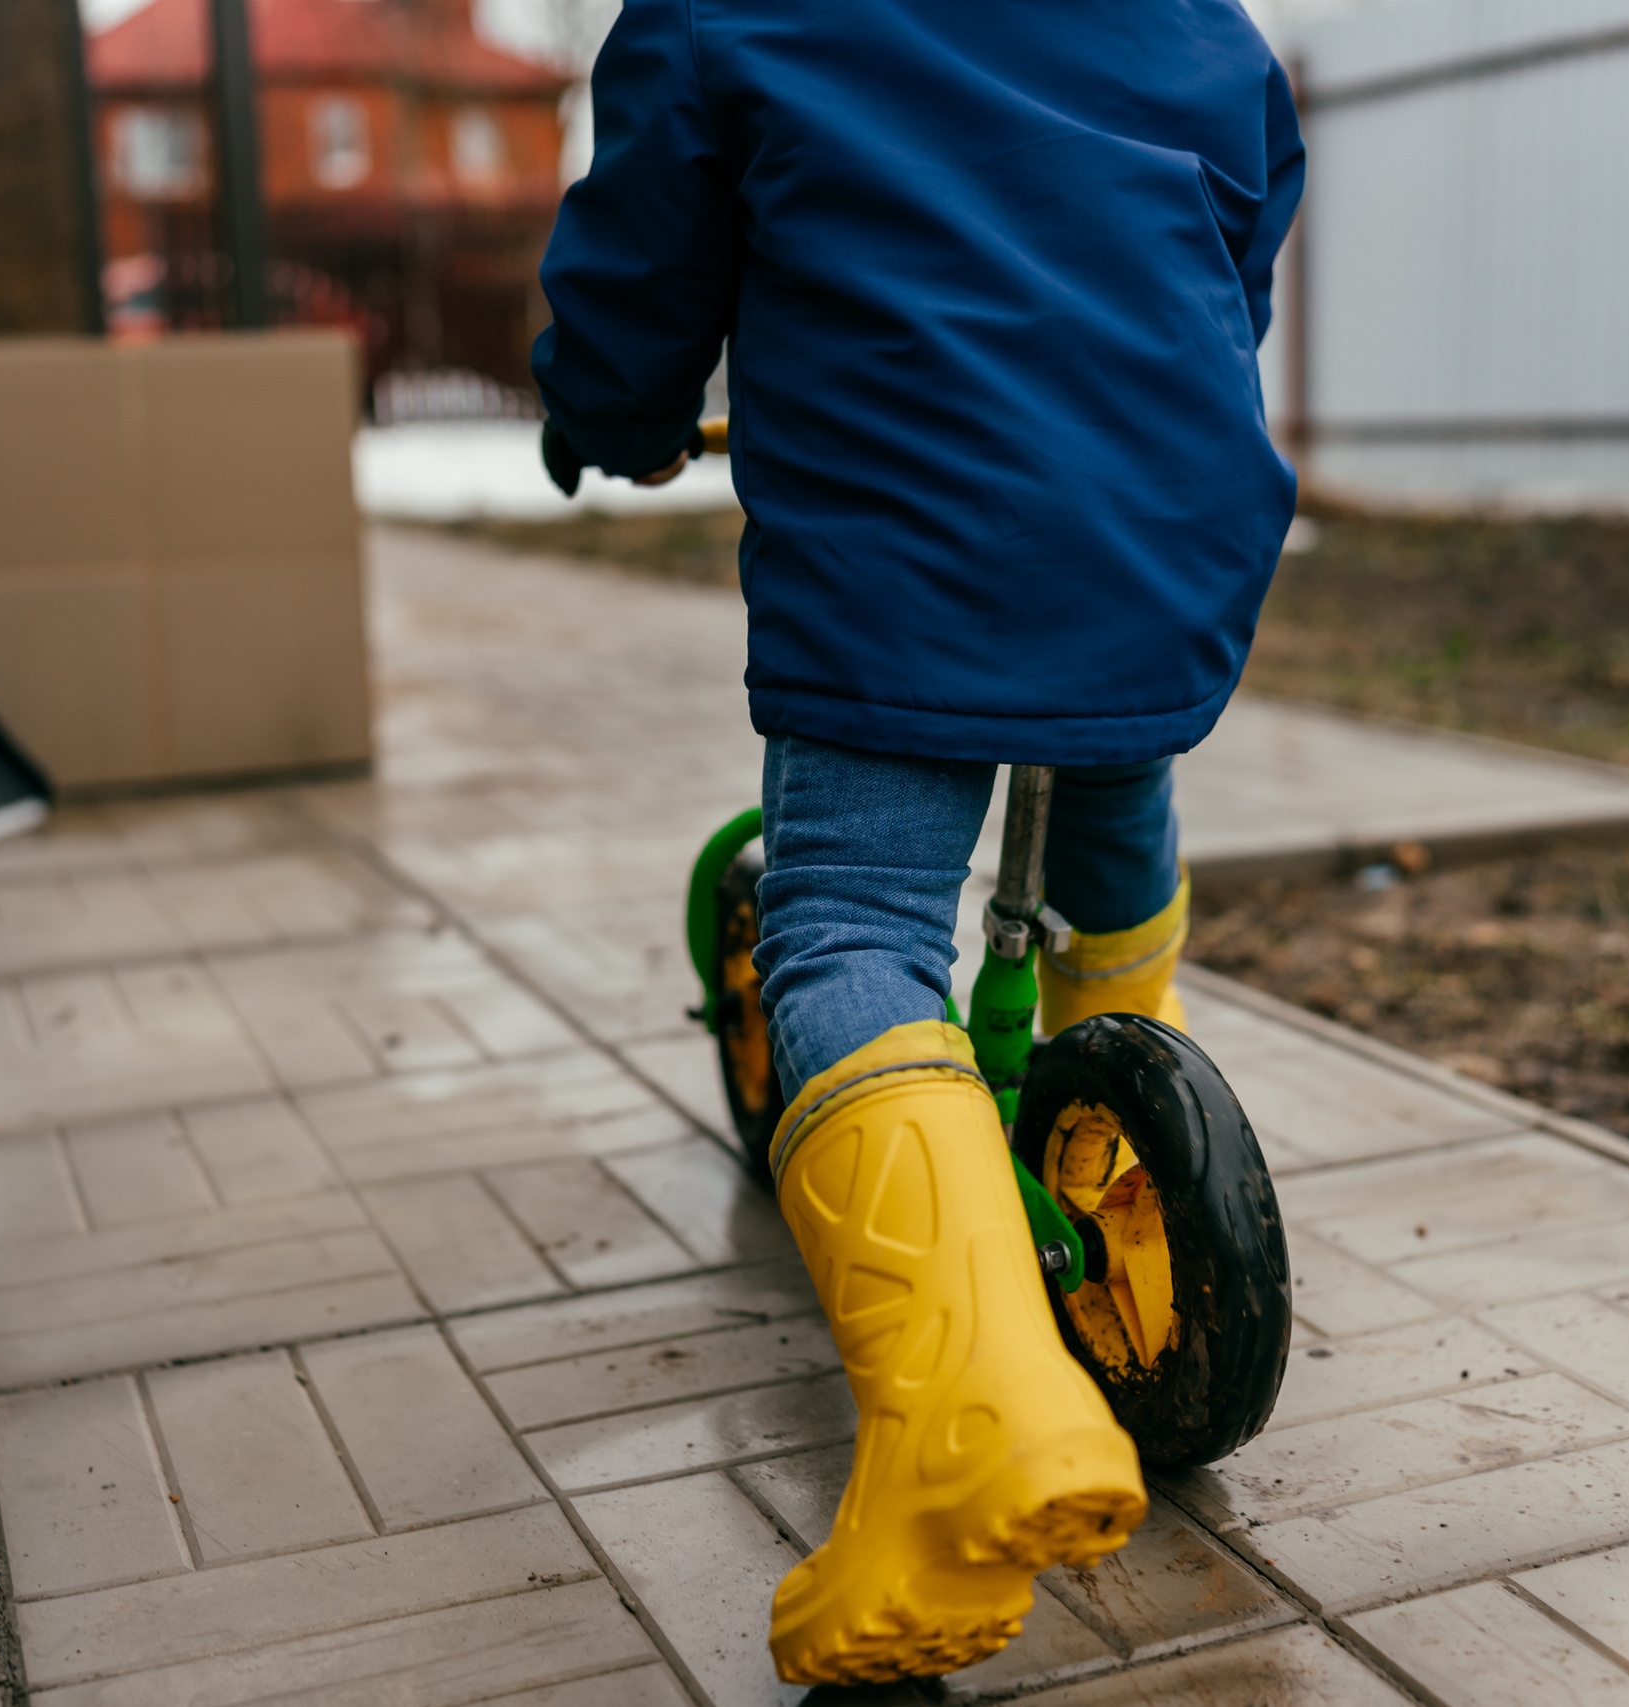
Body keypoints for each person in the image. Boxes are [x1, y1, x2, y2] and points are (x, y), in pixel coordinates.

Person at [532, 0, 1303, 1685]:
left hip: (915, 536)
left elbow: (643, 263)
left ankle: (968, 1410)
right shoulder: (1194, 18)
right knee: (1109, 761)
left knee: (852, 925)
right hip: (1168, 511)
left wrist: (610, 411)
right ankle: (1127, 1084)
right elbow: (1243, 237)